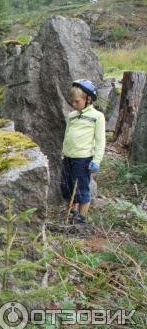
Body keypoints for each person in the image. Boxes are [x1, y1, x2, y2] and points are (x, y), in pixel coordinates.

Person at [61, 79, 106, 225]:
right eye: (72, 102)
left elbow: (100, 141)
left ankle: (81, 219)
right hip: (68, 157)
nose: (73, 105)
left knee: (81, 188)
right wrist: (63, 153)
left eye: (77, 101)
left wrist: (96, 160)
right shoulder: (72, 116)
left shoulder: (97, 117)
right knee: (66, 187)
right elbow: (67, 136)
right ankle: (71, 213)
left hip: (83, 159)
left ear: (88, 99)